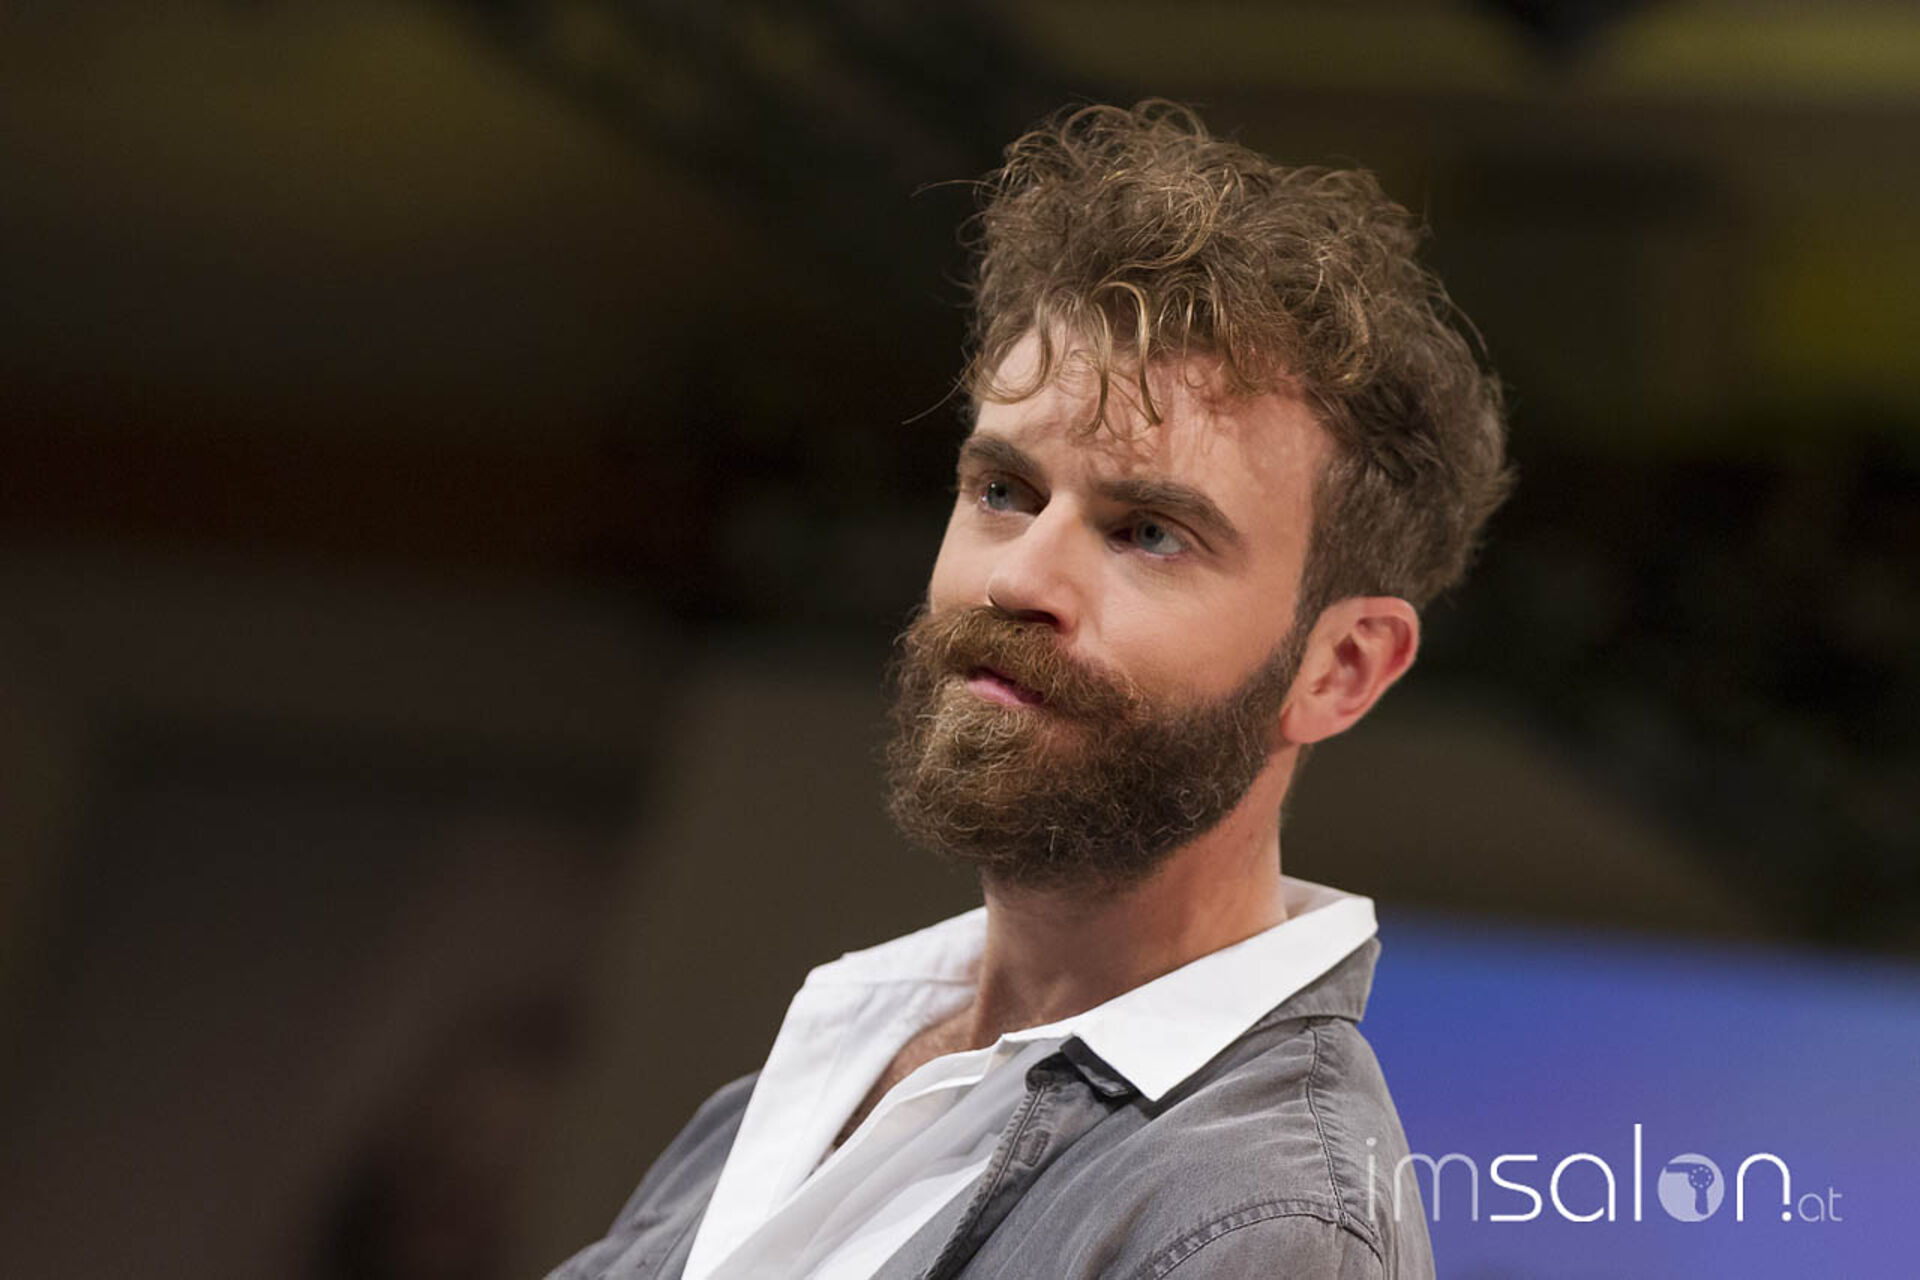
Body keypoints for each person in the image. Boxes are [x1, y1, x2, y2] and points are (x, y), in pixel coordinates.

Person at [548, 100, 1510, 1280]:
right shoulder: (839, 1059)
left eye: (1149, 530)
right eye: (1004, 491)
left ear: (1340, 666)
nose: (1019, 578)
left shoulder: (1268, 1226)